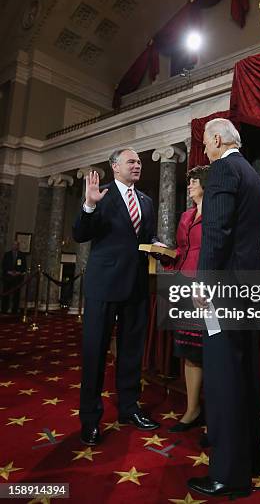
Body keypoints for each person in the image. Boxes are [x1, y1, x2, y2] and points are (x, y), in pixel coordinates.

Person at [187, 118, 260, 499]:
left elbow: (216, 232)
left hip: (224, 291)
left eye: (205, 142)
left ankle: (229, 475)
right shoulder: (251, 172)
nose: (204, 149)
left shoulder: (222, 168)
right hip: (249, 287)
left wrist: (203, 284)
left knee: (223, 377)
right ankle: (251, 455)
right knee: (245, 371)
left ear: (218, 139)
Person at [72, 147, 163, 446]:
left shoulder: (147, 201)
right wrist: (88, 205)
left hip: (136, 286)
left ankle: (128, 409)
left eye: (139, 161)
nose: (137, 165)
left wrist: (158, 245)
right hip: (104, 285)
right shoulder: (101, 193)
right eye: (131, 161)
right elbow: (80, 234)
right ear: (115, 167)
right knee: (95, 353)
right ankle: (90, 420)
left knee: (131, 352)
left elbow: (144, 238)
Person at [163, 165, 209, 433]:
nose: (189, 185)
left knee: (210, 352)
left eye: (194, 181)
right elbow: (182, 250)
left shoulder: (216, 213)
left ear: (206, 184)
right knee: (190, 352)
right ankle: (192, 410)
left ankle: (214, 413)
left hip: (208, 288)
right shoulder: (185, 216)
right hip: (185, 286)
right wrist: (165, 256)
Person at [1, 241, 27, 314]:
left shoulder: (22, 255)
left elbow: (24, 266)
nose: (15, 246)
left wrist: (19, 272)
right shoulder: (7, 254)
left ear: (18, 246)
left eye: (16, 245)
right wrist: (9, 272)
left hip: (17, 278)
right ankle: (4, 309)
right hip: (8, 277)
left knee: (16, 294)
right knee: (6, 293)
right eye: (14, 245)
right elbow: (3, 265)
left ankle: (14, 310)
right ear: (12, 245)